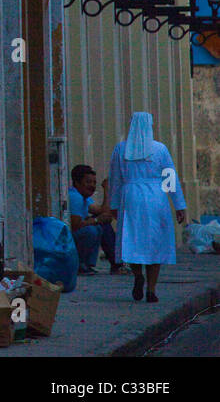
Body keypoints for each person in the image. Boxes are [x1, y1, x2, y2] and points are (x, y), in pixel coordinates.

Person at [109, 112, 187, 302]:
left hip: (131, 197)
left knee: (134, 239)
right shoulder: (160, 149)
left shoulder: (121, 149)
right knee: (155, 242)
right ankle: (151, 290)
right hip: (156, 198)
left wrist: (113, 204)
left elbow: (115, 180)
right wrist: (179, 205)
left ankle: (138, 275)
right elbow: (170, 178)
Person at [68, 165, 127, 275]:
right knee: (92, 230)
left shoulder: (83, 197)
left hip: (74, 238)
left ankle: (109, 264)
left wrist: (107, 190)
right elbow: (74, 226)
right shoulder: (75, 198)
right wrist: (95, 221)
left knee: (103, 225)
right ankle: (81, 264)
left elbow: (103, 211)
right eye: (88, 182)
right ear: (77, 183)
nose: (92, 186)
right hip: (67, 243)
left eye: (94, 183)